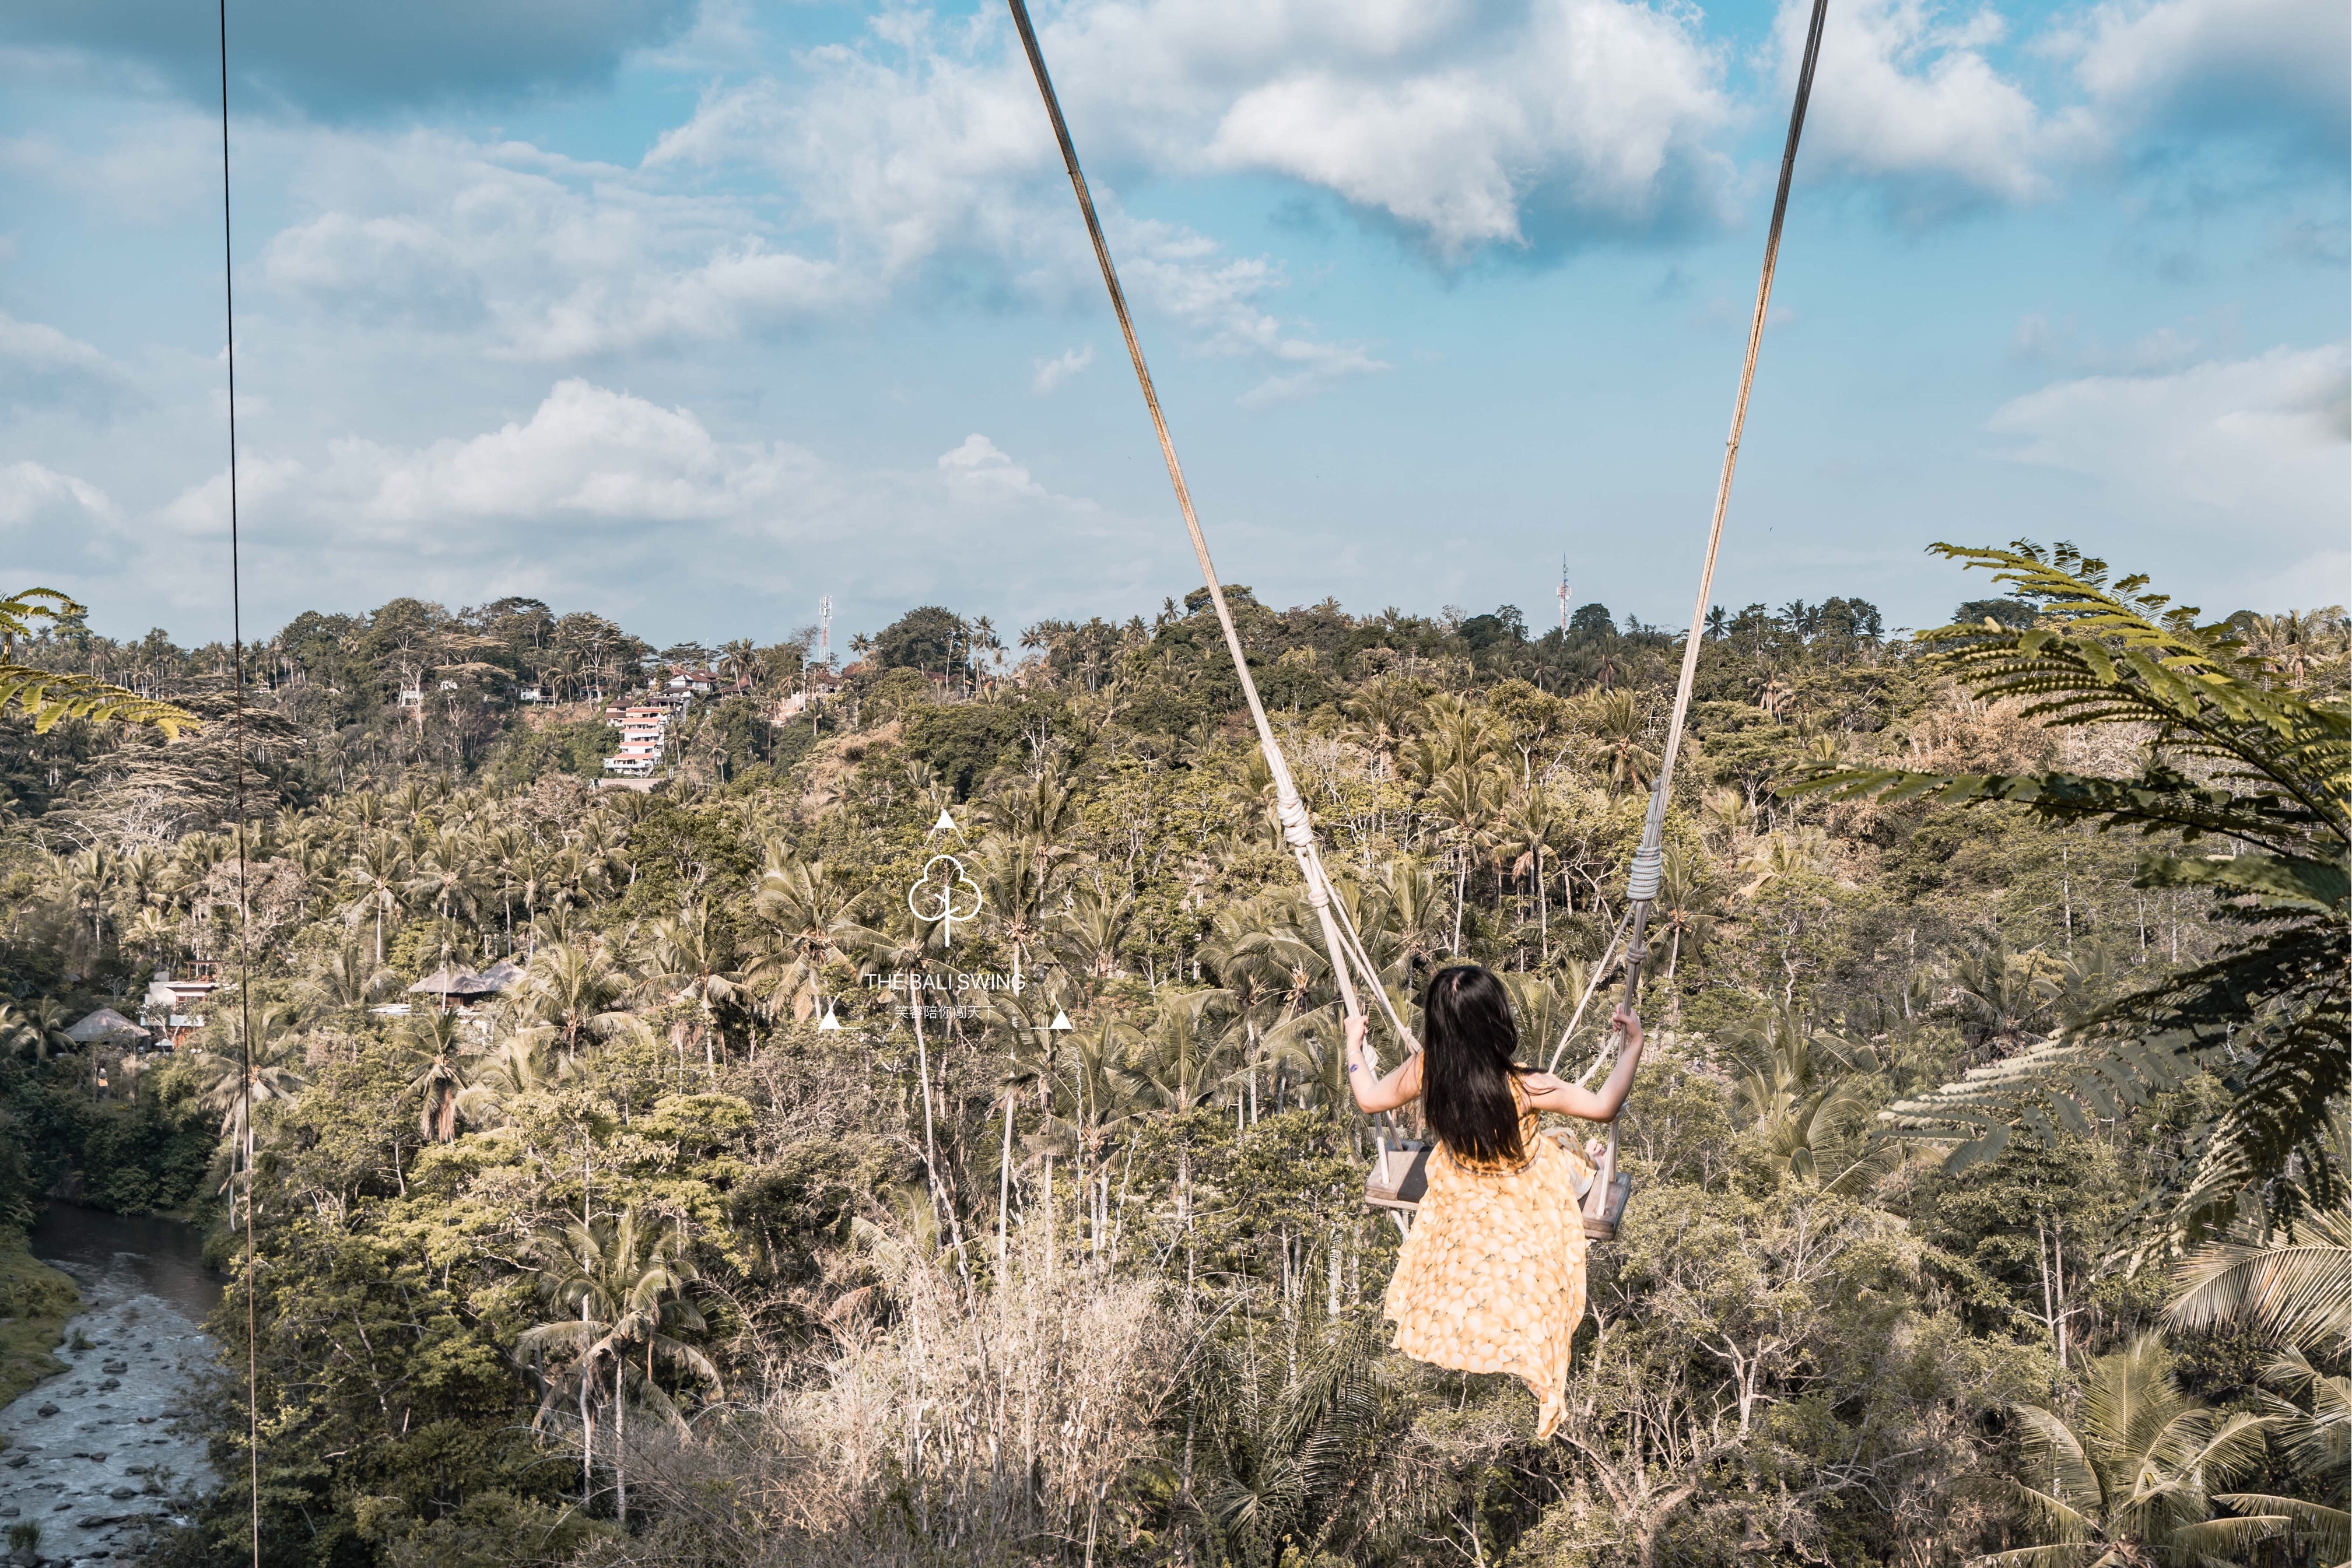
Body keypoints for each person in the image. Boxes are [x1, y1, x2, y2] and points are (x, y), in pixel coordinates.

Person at [1344, 963, 1646, 1440]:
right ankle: (1588, 1156)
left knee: (1549, 1149)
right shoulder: (1525, 1085)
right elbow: (1605, 1104)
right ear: (1497, 1019)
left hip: (1462, 1179)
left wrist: (1353, 1046)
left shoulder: (1427, 1070)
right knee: (1564, 1146)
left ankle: (1578, 1153)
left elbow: (1367, 1096)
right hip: (1523, 1181)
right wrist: (1633, 1045)